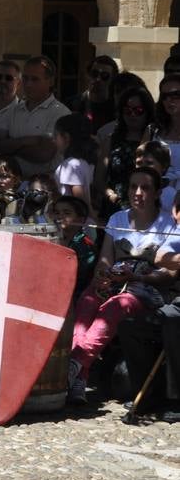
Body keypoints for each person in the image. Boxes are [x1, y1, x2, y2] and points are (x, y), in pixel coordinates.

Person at [68, 167, 179, 404]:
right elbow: (105, 259)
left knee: (116, 307)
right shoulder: (117, 219)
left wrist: (137, 278)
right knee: (87, 302)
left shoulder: (169, 224)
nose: (137, 192)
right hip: (115, 281)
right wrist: (103, 275)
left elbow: (169, 274)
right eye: (133, 187)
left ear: (158, 192)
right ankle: (79, 378)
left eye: (145, 187)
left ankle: (74, 364)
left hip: (146, 289)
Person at [0, 55, 70, 177]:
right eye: (26, 78)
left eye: (34, 79)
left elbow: (43, 154)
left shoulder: (60, 113)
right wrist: (28, 141)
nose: (28, 84)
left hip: (43, 188)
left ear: (50, 81)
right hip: (11, 186)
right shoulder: (14, 110)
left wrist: (10, 147)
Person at [97, 86, 155, 217]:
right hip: (114, 207)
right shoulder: (110, 141)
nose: (132, 115)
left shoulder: (155, 140)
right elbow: (99, 180)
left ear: (148, 112)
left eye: (138, 110)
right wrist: (111, 196)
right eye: (127, 111)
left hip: (146, 206)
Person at [49, 195, 98, 299]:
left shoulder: (85, 246)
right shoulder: (51, 239)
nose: (60, 216)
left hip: (75, 296)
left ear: (81, 219)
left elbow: (79, 277)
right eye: (57, 212)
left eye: (67, 213)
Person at [53, 113, 97, 202]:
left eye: (55, 136)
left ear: (66, 137)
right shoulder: (84, 162)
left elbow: (79, 202)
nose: (53, 140)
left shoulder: (70, 165)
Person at [71, 55, 119, 133]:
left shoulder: (116, 108)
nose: (98, 79)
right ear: (88, 75)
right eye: (94, 73)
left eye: (104, 76)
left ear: (112, 80)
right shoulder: (72, 104)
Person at [152, 73, 180, 184]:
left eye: (176, 95)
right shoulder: (152, 130)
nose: (169, 100)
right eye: (165, 96)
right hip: (157, 196)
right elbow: (142, 167)